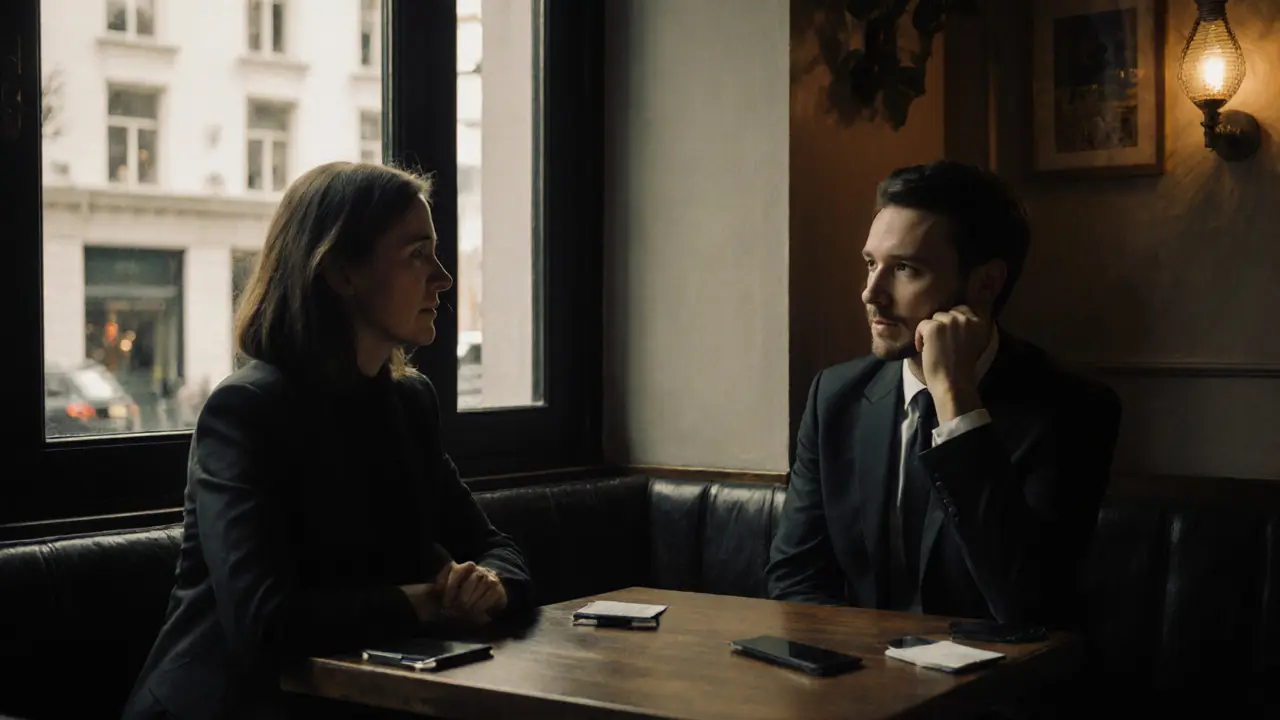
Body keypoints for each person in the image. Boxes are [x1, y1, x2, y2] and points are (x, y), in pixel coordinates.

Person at [122, 162, 533, 719]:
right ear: (342, 272)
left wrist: (491, 586)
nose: (443, 277)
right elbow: (264, 623)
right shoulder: (246, 410)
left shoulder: (409, 405)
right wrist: (428, 602)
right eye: (417, 254)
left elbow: (496, 549)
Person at [766, 161, 1120, 626]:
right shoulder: (835, 396)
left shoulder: (1073, 410)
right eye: (871, 264)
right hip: (857, 685)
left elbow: (1029, 605)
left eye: (906, 269)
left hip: (992, 690)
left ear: (986, 283)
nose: (871, 293)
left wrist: (957, 403)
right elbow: (795, 580)